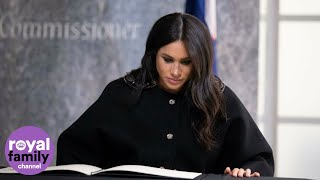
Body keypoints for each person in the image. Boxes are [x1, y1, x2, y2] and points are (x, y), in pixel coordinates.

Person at [57, 12, 274, 177]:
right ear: (153, 56)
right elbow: (73, 151)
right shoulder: (121, 93)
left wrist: (245, 172)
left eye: (186, 62)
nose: (176, 72)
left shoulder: (220, 99)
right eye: (167, 60)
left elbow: (258, 158)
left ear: (200, 62)